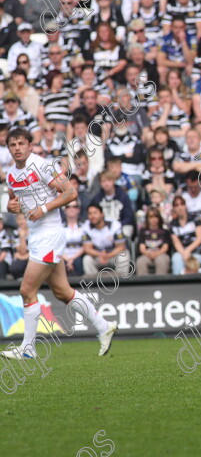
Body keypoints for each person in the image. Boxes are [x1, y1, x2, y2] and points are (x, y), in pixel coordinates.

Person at [1, 128, 117, 360]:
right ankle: (104, 326)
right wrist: (9, 207)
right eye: (12, 145)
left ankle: (28, 348)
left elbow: (70, 192)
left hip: (51, 234)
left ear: (30, 145)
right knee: (63, 292)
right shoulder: (11, 174)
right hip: (36, 235)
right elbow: (13, 203)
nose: (17, 148)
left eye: (21, 143)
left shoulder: (42, 165)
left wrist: (43, 209)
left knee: (26, 290)